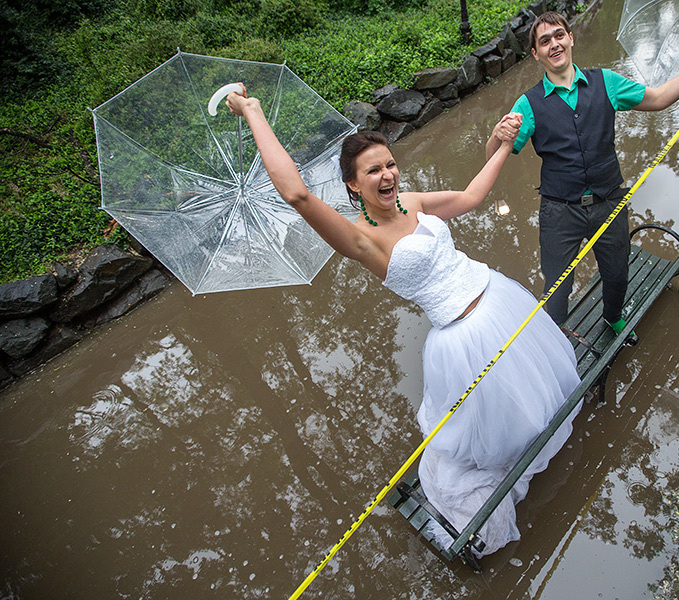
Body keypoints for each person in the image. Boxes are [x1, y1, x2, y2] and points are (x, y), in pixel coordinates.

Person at [226, 88, 581, 555]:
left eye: (390, 164)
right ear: (353, 185)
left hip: (499, 299)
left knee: (538, 393)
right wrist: (252, 110)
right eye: (373, 171)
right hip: (463, 339)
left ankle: (541, 445)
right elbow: (296, 193)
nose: (387, 175)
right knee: (494, 433)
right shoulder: (360, 239)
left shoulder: (411, 201)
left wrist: (503, 146)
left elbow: (471, 196)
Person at [486, 11, 679, 337]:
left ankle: (613, 318)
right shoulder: (528, 104)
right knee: (557, 287)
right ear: (536, 53)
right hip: (559, 212)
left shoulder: (606, 82)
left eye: (559, 35)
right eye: (544, 41)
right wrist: (496, 135)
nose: (554, 44)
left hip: (609, 202)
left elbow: (660, 98)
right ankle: (555, 339)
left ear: (571, 38)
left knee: (617, 272)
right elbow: (493, 160)